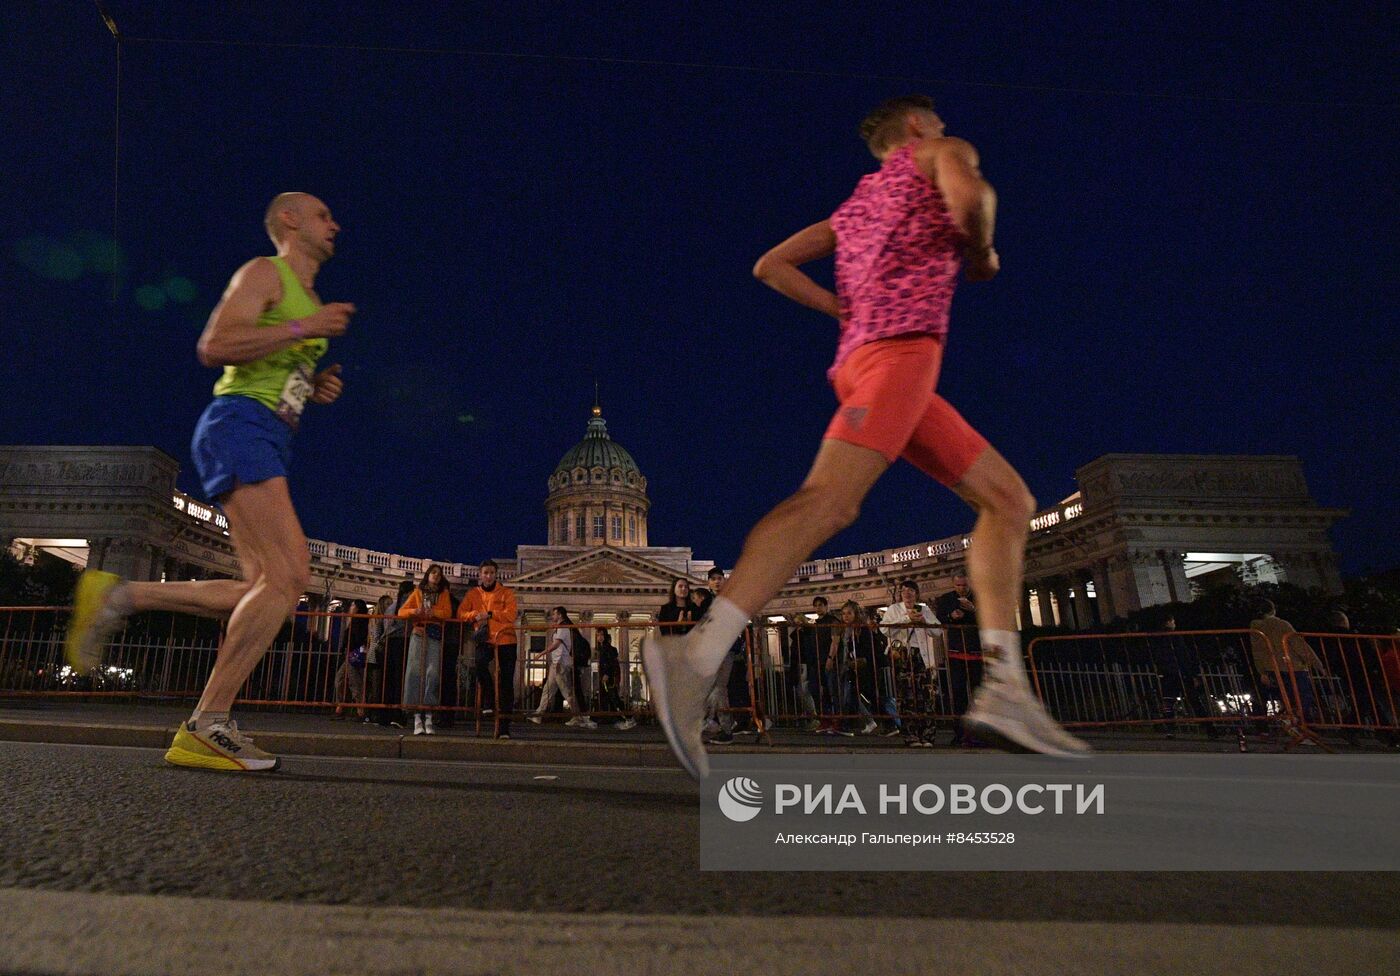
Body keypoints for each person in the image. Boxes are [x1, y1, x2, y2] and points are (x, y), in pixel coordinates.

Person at [642, 95, 1087, 779]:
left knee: (1008, 501)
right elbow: (975, 198)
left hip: (868, 364)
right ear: (914, 127)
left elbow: (769, 266)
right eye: (936, 122)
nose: (944, 130)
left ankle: (1005, 685)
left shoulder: (853, 211)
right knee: (831, 501)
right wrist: (982, 253)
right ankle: (696, 656)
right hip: (900, 354)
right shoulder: (939, 153)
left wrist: (836, 305)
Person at [63, 192, 352, 772]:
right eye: (323, 215)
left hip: (264, 432)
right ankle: (208, 722)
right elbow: (215, 345)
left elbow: (272, 363)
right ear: (289, 220)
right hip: (238, 424)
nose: (335, 224)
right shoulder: (265, 273)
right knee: (292, 573)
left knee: (260, 589)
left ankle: (117, 595)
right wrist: (306, 326)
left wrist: (310, 382)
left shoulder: (309, 296)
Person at [457, 559, 518, 738]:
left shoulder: (506, 593)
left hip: (506, 640)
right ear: (480, 575)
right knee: (480, 666)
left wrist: (490, 614)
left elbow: (511, 615)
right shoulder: (473, 594)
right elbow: (461, 613)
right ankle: (490, 699)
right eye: (486, 573)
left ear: (496, 574)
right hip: (485, 640)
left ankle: (504, 727)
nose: (489, 576)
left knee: (506, 682)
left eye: (491, 573)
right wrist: (475, 615)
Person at [880, 580, 940, 745]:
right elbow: (884, 629)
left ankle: (927, 736)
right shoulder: (894, 609)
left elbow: (938, 631)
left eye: (911, 590)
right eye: (904, 591)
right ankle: (911, 736)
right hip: (903, 656)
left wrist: (924, 622)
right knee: (906, 696)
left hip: (922, 655)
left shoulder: (924, 609)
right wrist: (907, 618)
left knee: (926, 696)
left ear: (916, 594)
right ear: (900, 594)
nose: (907, 593)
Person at [398, 565, 453, 735]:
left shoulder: (444, 594)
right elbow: (401, 612)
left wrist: (433, 612)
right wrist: (415, 610)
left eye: (439, 573)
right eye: (433, 573)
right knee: (414, 673)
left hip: (434, 635)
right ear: (427, 575)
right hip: (419, 633)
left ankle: (428, 715)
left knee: (432, 673)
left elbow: (448, 613)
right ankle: (416, 716)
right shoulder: (417, 592)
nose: (436, 576)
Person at [529, 607, 596, 729]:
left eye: (554, 614)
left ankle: (578, 717)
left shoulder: (563, 628)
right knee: (547, 690)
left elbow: (556, 645)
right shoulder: (561, 628)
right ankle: (538, 715)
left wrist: (541, 653)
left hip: (561, 664)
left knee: (567, 692)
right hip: (556, 664)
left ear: (560, 615)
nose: (552, 616)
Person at [937, 574, 984, 746]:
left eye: (964, 585)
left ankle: (979, 734)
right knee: (958, 696)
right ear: (953, 584)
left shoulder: (979, 597)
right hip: (956, 652)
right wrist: (951, 616)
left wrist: (974, 610)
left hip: (976, 651)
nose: (961, 588)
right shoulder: (946, 599)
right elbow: (940, 618)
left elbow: (988, 618)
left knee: (978, 696)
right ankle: (960, 734)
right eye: (958, 585)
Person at [333, 598, 369, 719]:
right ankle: (341, 706)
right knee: (340, 679)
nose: (350, 607)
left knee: (354, 682)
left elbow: (358, 638)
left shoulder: (360, 622)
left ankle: (359, 710)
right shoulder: (354, 621)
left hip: (353, 655)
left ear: (357, 608)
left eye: (353, 605)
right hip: (349, 655)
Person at [362, 593, 394, 723]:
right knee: (376, 686)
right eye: (388, 604)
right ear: (381, 605)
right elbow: (376, 637)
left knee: (375, 686)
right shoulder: (378, 619)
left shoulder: (377, 618)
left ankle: (370, 713)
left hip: (374, 655)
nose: (390, 606)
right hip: (376, 655)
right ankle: (373, 714)